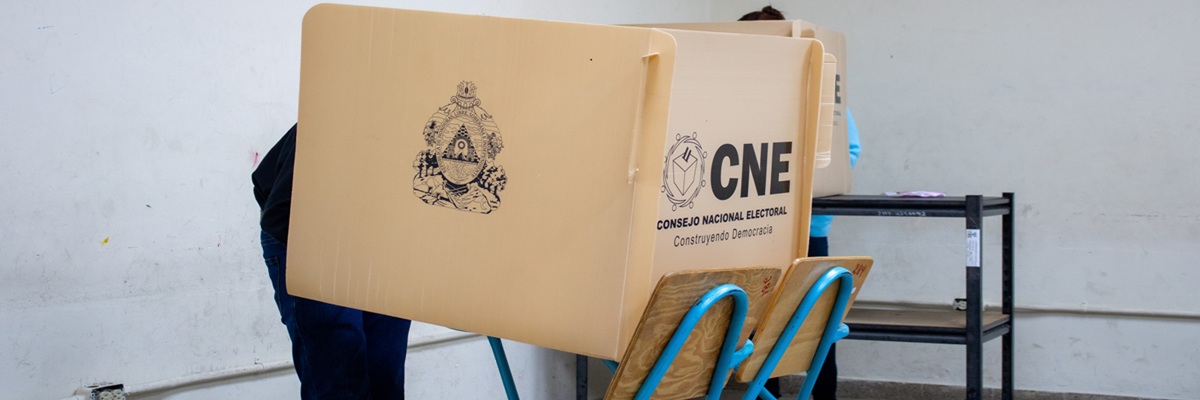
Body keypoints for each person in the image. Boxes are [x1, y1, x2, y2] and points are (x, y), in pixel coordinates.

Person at [739, 7, 863, 399]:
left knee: (814, 328)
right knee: (758, 330)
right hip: (751, 231)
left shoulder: (822, 93)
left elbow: (849, 151)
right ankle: (765, 395)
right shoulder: (739, 94)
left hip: (808, 230)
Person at [254, 123, 414, 399]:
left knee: (384, 379)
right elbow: (268, 190)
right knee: (340, 381)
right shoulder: (345, 104)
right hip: (309, 234)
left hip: (380, 239)